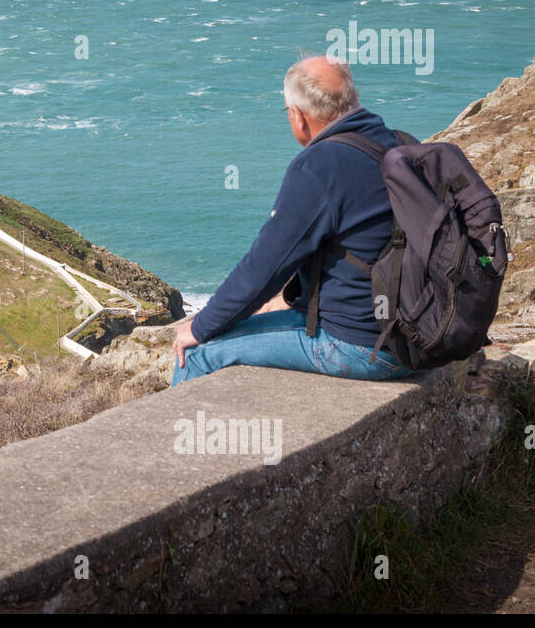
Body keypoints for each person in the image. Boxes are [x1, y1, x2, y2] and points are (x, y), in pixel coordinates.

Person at [171, 56, 412, 385]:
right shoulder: (400, 144)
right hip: (416, 337)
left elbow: (264, 268)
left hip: (360, 346)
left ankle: (185, 438)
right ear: (353, 100)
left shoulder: (318, 166)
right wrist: (285, 300)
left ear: (298, 117)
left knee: (196, 354)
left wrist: (198, 327)